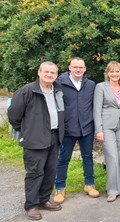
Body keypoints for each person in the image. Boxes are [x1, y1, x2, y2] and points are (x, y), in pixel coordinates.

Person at [8, 61, 64, 220]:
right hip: (35, 139)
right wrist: (28, 131)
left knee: (50, 171)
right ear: (39, 73)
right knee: (35, 172)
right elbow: (14, 116)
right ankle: (31, 205)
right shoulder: (27, 91)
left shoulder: (58, 90)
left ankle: (44, 200)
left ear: (56, 75)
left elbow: (61, 111)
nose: (49, 75)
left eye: (52, 73)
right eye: (46, 72)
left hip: (54, 137)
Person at [54, 57, 99, 204]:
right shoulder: (60, 83)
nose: (78, 70)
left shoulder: (91, 85)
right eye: (75, 67)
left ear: (85, 69)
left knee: (88, 157)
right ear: (70, 68)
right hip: (68, 128)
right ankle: (59, 189)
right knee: (63, 159)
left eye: (81, 67)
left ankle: (89, 185)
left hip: (87, 128)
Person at [93, 61, 120, 202]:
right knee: (112, 157)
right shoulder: (101, 87)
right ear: (107, 73)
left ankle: (117, 188)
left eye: (117, 71)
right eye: (112, 71)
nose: (114, 74)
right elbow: (97, 110)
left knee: (119, 157)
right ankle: (112, 190)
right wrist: (99, 130)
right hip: (106, 126)